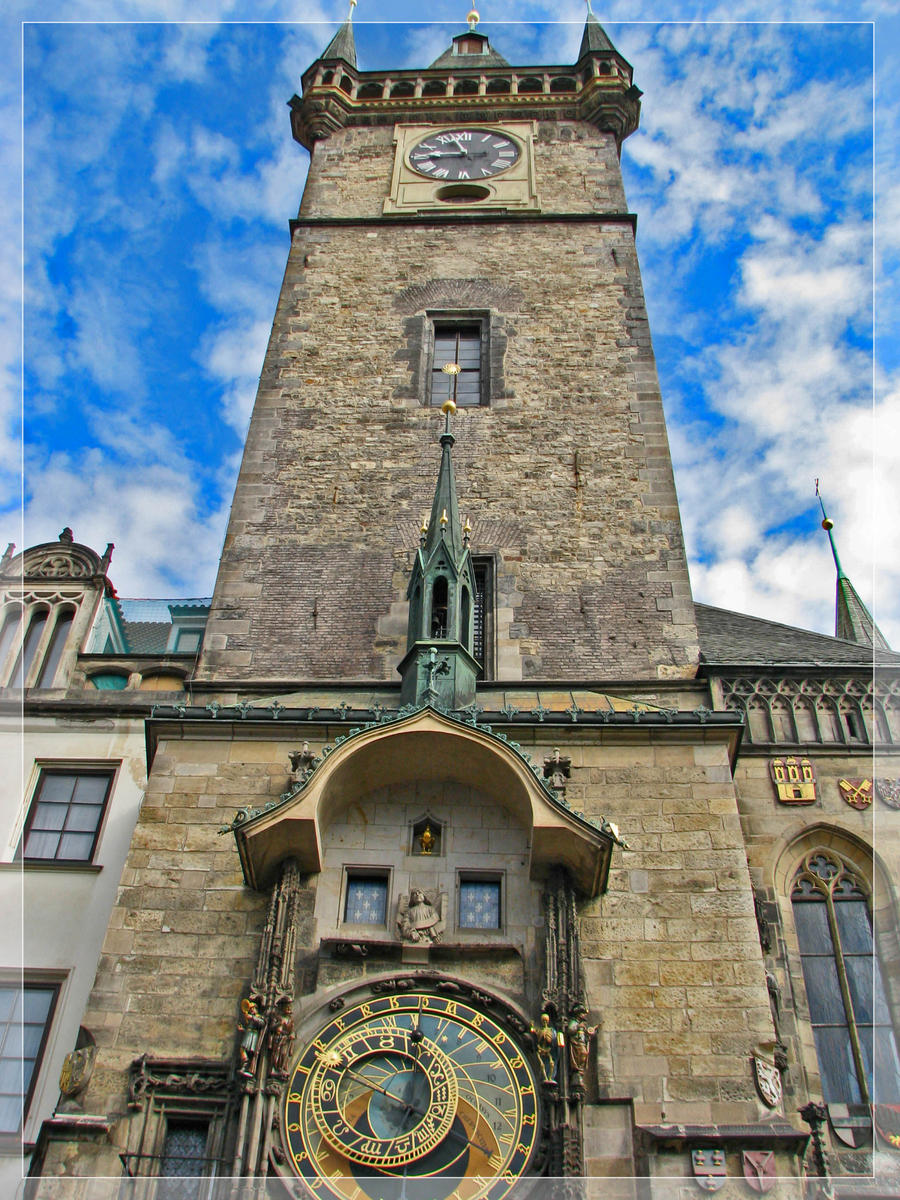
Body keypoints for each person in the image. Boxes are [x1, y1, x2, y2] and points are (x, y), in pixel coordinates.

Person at [531, 1012, 558, 1083]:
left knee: (551, 1063)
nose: (545, 1022)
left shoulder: (551, 1031)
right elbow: (534, 1033)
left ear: (548, 1021)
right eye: (543, 1021)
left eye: (546, 1020)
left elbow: (553, 1039)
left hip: (548, 1049)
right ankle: (545, 1077)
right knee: (542, 1064)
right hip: (540, 1049)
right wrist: (532, 1026)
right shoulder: (540, 1031)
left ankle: (550, 1077)